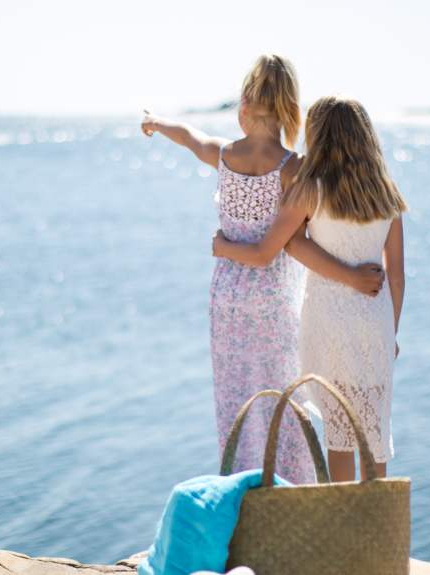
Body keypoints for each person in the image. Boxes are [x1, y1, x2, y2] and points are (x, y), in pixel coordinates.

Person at [141, 56, 385, 484]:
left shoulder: (223, 155)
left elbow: (189, 137)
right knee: (285, 400)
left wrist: (158, 122)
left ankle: (244, 491)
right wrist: (353, 271)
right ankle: (292, 492)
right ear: (291, 107)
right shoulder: (294, 168)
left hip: (229, 296)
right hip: (274, 298)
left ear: (245, 105)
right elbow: (286, 246)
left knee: (238, 399)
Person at [213, 95, 406, 481]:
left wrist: (224, 247)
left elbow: (283, 243)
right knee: (373, 428)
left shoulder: (310, 189)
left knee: (339, 434)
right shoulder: (387, 194)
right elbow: (396, 274)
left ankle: (341, 525)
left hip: (329, 321)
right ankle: (381, 524)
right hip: (375, 321)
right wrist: (392, 331)